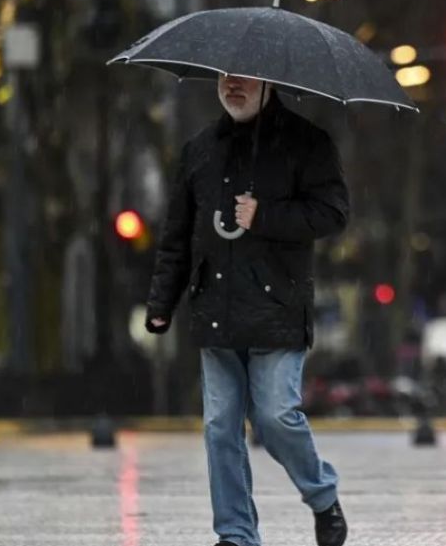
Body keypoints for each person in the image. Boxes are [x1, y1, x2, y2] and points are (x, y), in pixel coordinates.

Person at [145, 75, 349, 546]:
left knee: (276, 416)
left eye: (243, 78)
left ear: (270, 83)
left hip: (277, 309)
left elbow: (334, 214)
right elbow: (177, 234)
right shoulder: (199, 149)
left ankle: (322, 495)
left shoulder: (308, 143)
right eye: (224, 77)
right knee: (221, 429)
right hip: (214, 308)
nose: (231, 86)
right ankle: (236, 535)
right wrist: (162, 303)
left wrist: (266, 215)